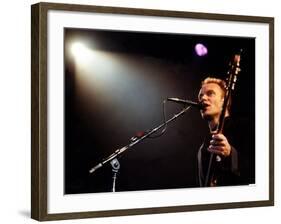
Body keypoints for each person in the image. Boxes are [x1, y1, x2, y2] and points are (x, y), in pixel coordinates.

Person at [197, 77, 255, 187]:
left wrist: (230, 154)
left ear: (225, 101)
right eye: (200, 96)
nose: (203, 98)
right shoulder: (203, 149)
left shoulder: (247, 127)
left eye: (210, 93)